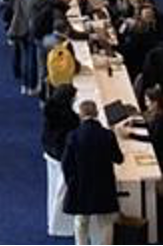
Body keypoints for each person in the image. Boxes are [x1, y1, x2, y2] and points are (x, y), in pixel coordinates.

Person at [62, 100, 125, 245]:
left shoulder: (73, 136)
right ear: (96, 113)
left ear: (80, 115)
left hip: (81, 185)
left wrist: (71, 182)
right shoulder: (107, 135)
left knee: (81, 221)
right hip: (103, 185)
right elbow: (119, 159)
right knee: (106, 222)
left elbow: (66, 164)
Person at [42, 83, 80, 161]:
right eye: (73, 98)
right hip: (60, 150)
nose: (74, 100)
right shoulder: (67, 117)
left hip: (49, 145)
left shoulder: (51, 108)